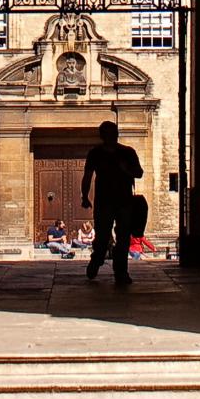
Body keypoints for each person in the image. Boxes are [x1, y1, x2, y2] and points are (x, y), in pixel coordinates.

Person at [79, 119, 144, 284]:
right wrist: (84, 196)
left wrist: (126, 169)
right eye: (108, 133)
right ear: (103, 136)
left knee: (123, 238)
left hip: (124, 202)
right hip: (104, 202)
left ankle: (121, 272)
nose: (112, 136)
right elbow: (87, 176)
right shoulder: (95, 153)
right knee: (102, 236)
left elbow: (139, 173)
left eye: (113, 133)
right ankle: (97, 259)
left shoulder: (127, 152)